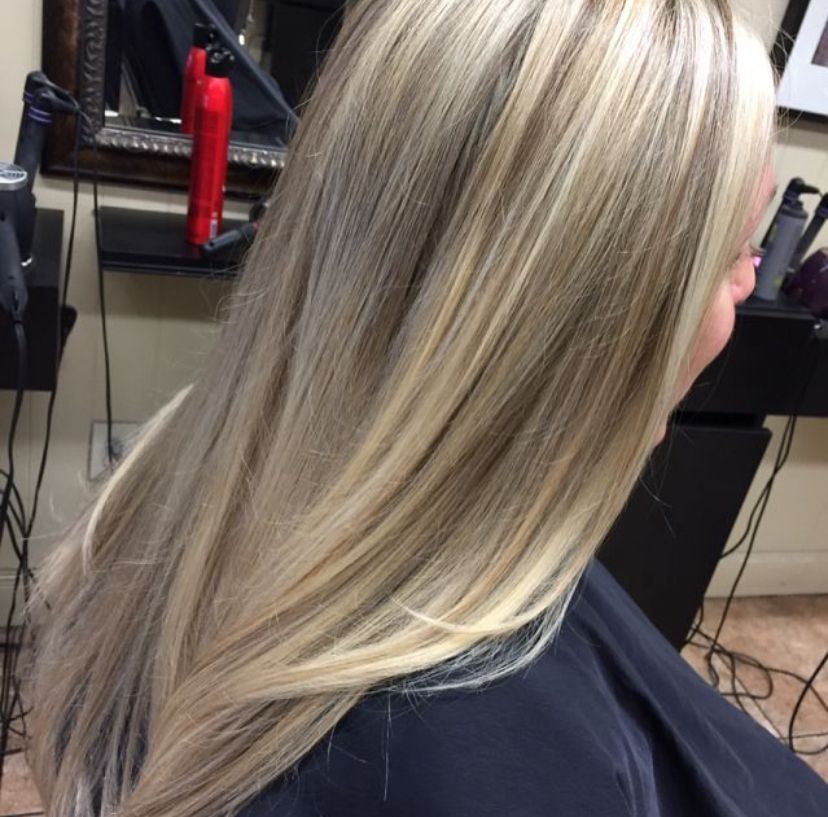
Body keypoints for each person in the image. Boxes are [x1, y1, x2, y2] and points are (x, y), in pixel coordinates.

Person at [21, 1, 828, 816]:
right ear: (588, 317)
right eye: (735, 252)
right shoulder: (449, 763)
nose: (743, 285)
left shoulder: (180, 478)